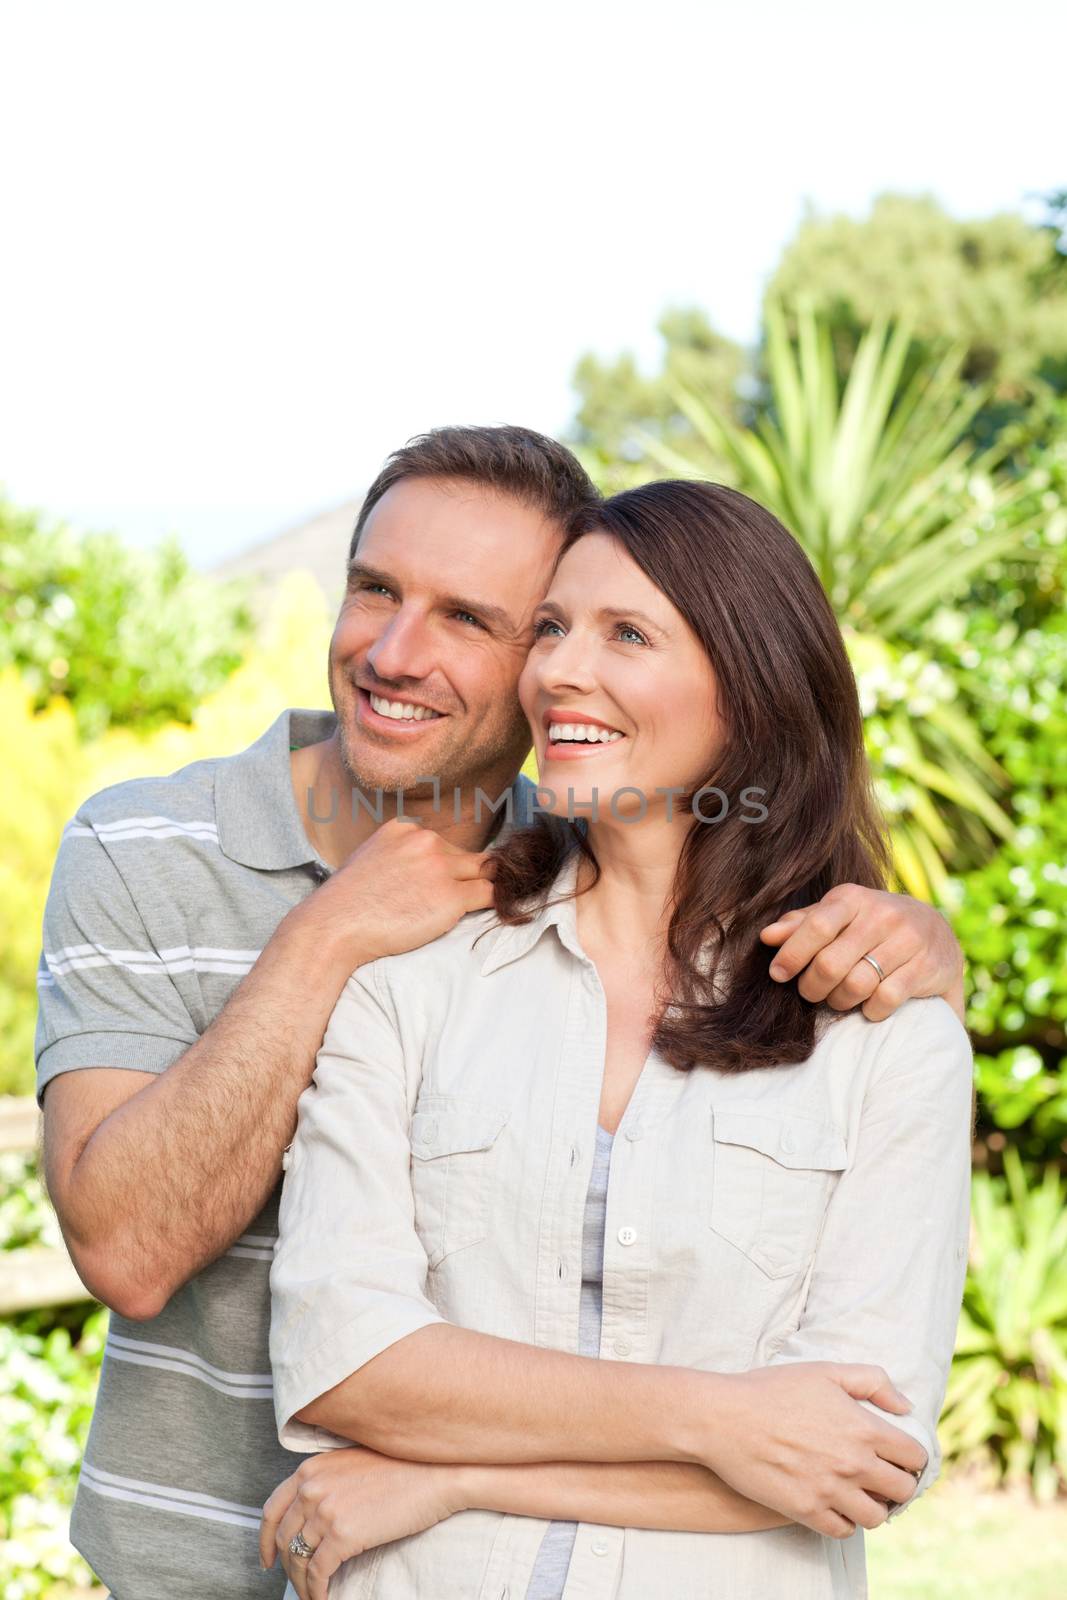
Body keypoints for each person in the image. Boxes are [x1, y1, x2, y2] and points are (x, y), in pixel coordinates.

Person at [36, 429, 965, 1600]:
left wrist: (919, 961)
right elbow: (136, 1254)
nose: (390, 650)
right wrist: (329, 935)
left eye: (473, 619)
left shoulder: (604, 880)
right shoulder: (161, 853)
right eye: (373, 588)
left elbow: (854, 1443)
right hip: (192, 1557)